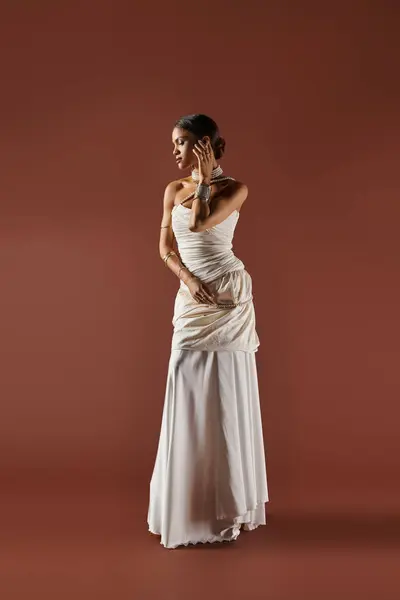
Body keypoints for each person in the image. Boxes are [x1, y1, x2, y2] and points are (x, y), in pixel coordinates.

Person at [147, 114, 269, 549]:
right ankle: (187, 504)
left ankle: (225, 504)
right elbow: (165, 246)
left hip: (228, 297)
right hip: (194, 296)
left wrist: (202, 179)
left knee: (224, 391)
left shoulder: (235, 189)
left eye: (181, 143)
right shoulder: (170, 190)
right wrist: (187, 278)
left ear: (204, 145)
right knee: (185, 381)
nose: (174, 151)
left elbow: (199, 224)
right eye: (174, 143)